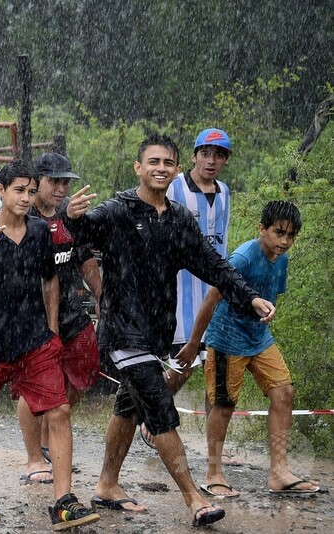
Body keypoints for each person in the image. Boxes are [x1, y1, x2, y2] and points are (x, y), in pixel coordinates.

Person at [63, 133, 276, 528]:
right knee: (160, 409)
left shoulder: (179, 219)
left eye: (167, 163)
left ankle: (107, 484)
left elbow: (213, 265)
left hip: (157, 333)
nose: (161, 168)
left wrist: (248, 298)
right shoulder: (117, 211)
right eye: (153, 162)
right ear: (138, 167)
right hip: (123, 332)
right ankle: (194, 498)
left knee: (129, 406)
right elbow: (77, 240)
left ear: (176, 170)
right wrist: (70, 215)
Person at [0, 160, 100, 530]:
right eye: (19, 191)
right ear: (1, 191)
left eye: (31, 191)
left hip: (34, 342)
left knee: (59, 411)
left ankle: (63, 500)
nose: (27, 198)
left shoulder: (41, 232)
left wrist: (51, 330)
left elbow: (50, 281)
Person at [175, 201, 323, 497]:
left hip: (258, 336)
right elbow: (211, 298)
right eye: (279, 232)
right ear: (262, 229)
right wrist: (194, 344)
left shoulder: (282, 258)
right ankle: (213, 472)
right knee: (224, 404)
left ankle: (279, 472)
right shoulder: (242, 257)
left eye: (291, 235)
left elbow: (270, 294)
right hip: (226, 338)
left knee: (284, 392)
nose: (284, 241)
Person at [139, 128, 236, 457]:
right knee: (183, 365)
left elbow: (220, 242)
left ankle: (215, 453)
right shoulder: (175, 187)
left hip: (215, 294)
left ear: (225, 160)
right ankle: (151, 416)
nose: (211, 160)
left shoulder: (224, 192)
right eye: (205, 153)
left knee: (216, 370)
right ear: (193, 157)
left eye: (219, 154)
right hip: (179, 293)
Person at [15, 153, 102, 484]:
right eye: (55, 181)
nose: (62, 188)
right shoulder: (24, 214)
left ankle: (52, 434)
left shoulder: (72, 218)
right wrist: (64, 216)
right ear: (37, 182)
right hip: (31, 313)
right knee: (31, 383)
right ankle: (34, 457)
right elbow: (36, 240)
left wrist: (101, 293)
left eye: (67, 182)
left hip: (69, 308)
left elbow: (85, 258)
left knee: (84, 367)